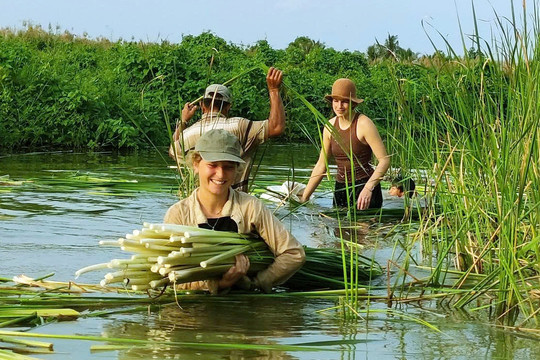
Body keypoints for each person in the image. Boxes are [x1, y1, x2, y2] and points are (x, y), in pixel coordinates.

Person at [164, 129, 305, 294]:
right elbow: (168, 274)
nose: (220, 174)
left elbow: (294, 253)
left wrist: (256, 283)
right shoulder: (179, 214)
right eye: (213, 165)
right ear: (196, 164)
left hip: (244, 302)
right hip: (195, 307)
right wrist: (218, 284)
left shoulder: (250, 207)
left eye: (228, 167)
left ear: (237, 169)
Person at [169, 67, 285, 192]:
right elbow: (276, 127)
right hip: (237, 204)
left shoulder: (186, 135)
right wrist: (274, 90)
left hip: (199, 205)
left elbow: (173, 151)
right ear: (228, 107)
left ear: (202, 106)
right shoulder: (240, 126)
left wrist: (183, 121)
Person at [300, 78, 390, 210]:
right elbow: (321, 165)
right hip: (341, 188)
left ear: (353, 103)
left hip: (364, 187)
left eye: (344, 101)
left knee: (365, 230)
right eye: (336, 101)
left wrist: (368, 188)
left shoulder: (364, 124)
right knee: (339, 229)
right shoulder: (329, 127)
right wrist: (304, 198)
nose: (339, 106)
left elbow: (384, 160)